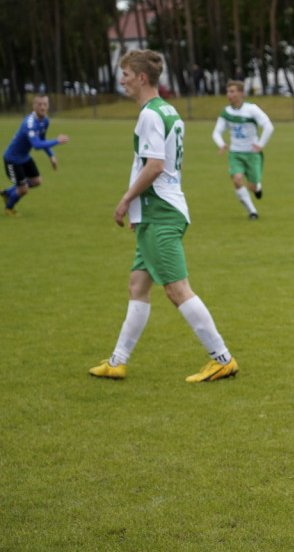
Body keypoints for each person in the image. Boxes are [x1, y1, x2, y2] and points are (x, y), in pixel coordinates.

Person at [89, 49, 238, 383]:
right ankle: (118, 360)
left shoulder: (150, 115)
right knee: (137, 286)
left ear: (142, 77)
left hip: (161, 214)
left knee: (177, 290)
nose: (122, 81)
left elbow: (155, 167)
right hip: (157, 211)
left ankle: (222, 358)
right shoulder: (167, 110)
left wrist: (126, 200)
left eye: (126, 75)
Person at [211, 80, 274, 220]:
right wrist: (221, 143)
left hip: (252, 153)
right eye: (228, 92)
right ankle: (252, 212)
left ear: (241, 93)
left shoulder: (251, 109)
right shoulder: (226, 112)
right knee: (237, 180)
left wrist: (260, 144)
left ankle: (257, 188)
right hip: (235, 153)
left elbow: (268, 126)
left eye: (232, 92)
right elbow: (216, 132)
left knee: (252, 186)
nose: (229, 95)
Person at [2, 95, 69, 217]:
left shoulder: (45, 121)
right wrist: (57, 141)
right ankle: (9, 209)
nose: (43, 107)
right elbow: (37, 145)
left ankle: (7, 193)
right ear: (34, 106)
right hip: (12, 159)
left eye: (45, 104)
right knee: (23, 189)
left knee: (36, 181)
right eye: (40, 104)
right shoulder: (30, 123)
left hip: (24, 157)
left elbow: (42, 139)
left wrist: (51, 156)